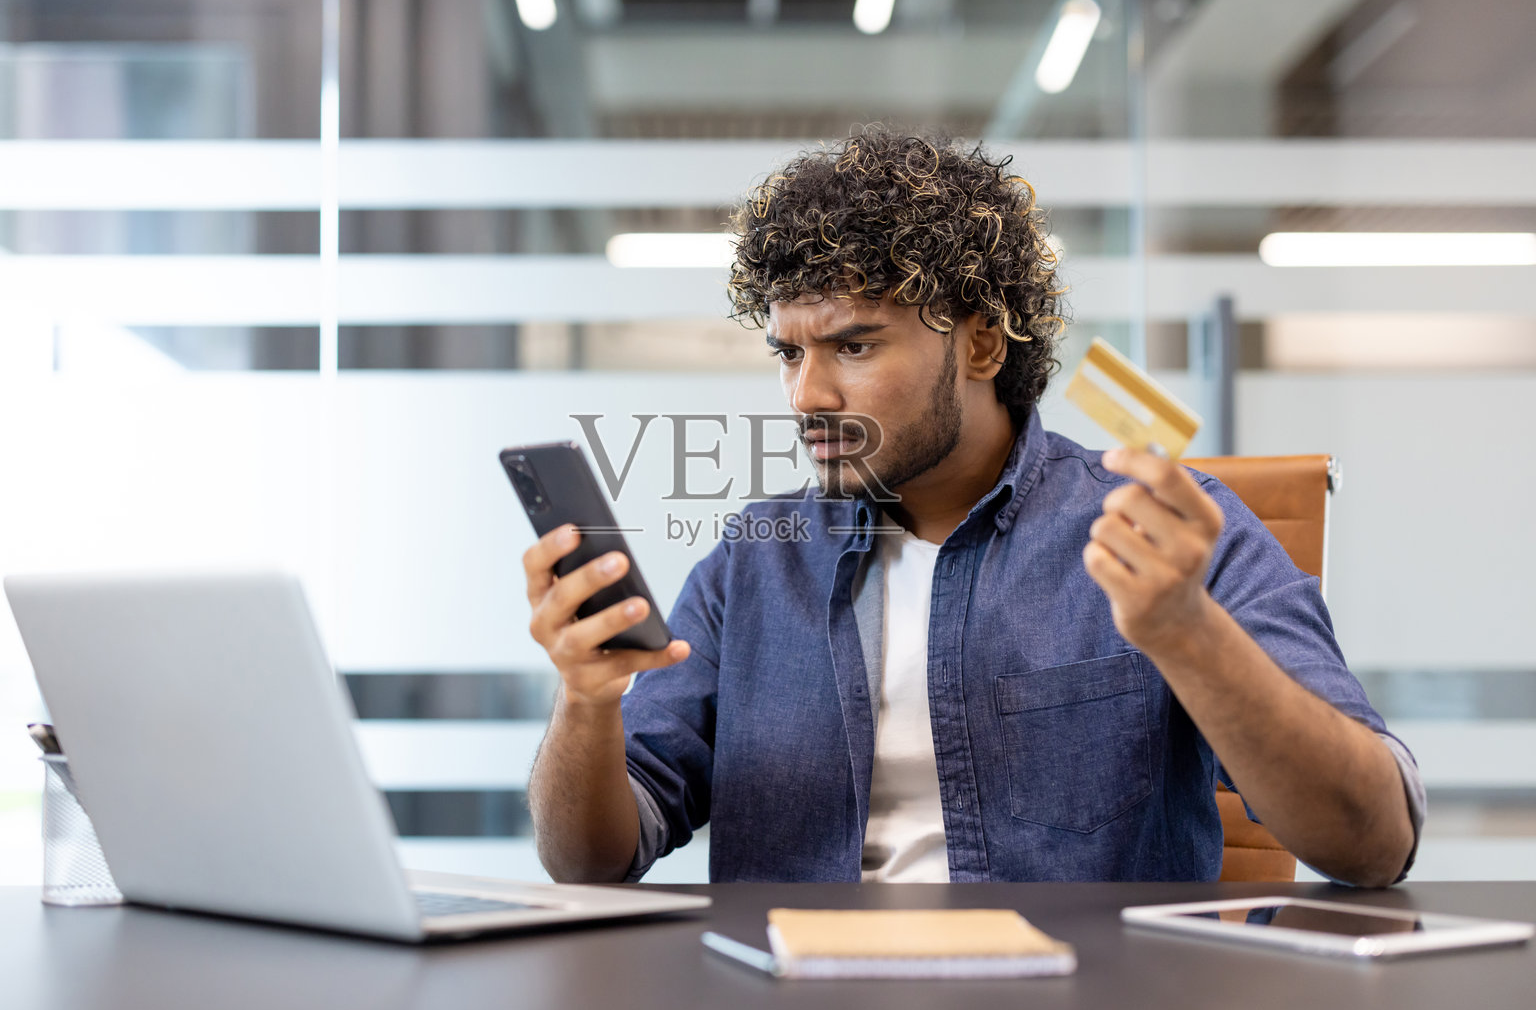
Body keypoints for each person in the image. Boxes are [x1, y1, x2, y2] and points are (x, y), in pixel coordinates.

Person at [523, 129, 1423, 886]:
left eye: (855, 344)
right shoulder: (754, 561)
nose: (807, 394)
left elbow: (1374, 840)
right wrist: (586, 701)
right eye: (789, 354)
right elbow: (592, 860)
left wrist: (1187, 631)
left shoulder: (1166, 536)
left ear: (983, 341)